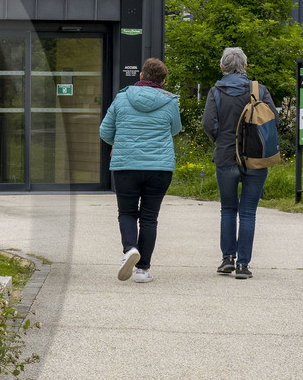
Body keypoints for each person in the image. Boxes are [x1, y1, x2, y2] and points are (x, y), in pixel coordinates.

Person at [100, 57, 182, 283]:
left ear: (141, 76)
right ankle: (143, 270)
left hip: (126, 165)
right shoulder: (170, 101)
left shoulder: (122, 98)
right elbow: (175, 129)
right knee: (149, 217)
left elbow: (105, 131)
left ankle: (129, 249)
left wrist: (118, 142)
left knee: (126, 212)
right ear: (163, 81)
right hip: (159, 167)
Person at [202, 46, 277, 279]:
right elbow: (272, 119)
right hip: (255, 159)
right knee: (248, 212)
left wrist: (221, 140)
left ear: (222, 67)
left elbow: (208, 124)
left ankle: (227, 260)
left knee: (228, 209)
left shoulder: (215, 92)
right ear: (245, 66)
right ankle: (243, 265)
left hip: (225, 157)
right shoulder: (259, 90)